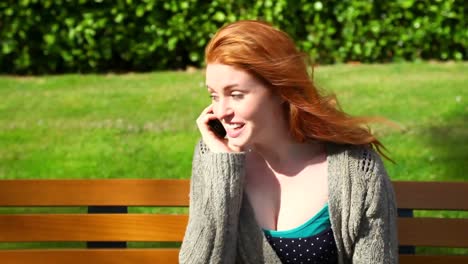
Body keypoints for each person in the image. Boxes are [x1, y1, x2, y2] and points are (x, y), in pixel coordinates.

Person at [179, 20, 398, 264]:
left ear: (280, 90)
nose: (221, 111)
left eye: (236, 95)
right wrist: (222, 168)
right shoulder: (213, 155)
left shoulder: (357, 169)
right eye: (214, 95)